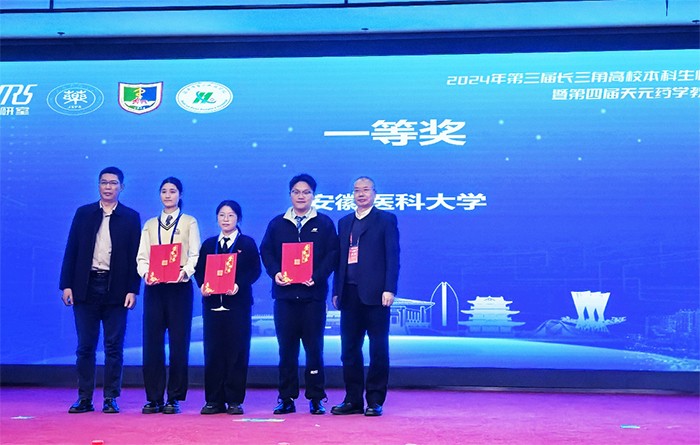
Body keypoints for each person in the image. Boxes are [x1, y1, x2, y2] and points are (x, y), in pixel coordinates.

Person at [59, 166, 141, 414]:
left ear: (121, 187)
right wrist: (66, 284)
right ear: (98, 185)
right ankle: (84, 397)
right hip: (85, 286)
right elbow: (71, 249)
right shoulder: (84, 213)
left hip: (116, 288)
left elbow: (135, 257)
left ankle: (110, 398)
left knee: (113, 346)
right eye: (104, 182)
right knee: (85, 345)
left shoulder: (130, 217)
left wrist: (133, 289)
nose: (108, 187)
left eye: (113, 183)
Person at [260, 174, 339, 415]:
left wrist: (317, 276)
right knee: (286, 350)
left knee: (314, 349)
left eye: (306, 192)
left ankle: (316, 397)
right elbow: (266, 252)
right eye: (296, 192)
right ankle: (286, 398)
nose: (301, 196)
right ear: (290, 195)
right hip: (285, 298)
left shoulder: (324, 223)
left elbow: (333, 254)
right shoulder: (277, 223)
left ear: (313, 195)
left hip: (312, 298)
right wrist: (275, 273)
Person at [331, 176, 400, 417]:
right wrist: (336, 290)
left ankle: (375, 400)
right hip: (349, 294)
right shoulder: (344, 222)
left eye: (366, 190)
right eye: (357, 190)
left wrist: (389, 288)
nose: (361, 194)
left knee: (378, 350)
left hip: (377, 295)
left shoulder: (386, 220)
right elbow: (340, 259)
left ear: (374, 193)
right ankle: (352, 400)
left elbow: (393, 256)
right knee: (349, 350)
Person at [136, 177, 201, 414]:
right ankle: (153, 397)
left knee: (178, 343)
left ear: (180, 195)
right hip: (154, 287)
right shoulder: (150, 224)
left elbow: (195, 253)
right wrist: (146, 273)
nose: (168, 195)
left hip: (179, 287)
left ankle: (174, 397)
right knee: (152, 343)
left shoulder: (189, 221)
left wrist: (185, 272)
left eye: (172, 191)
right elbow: (142, 256)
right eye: (164, 191)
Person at [193, 200, 261, 415]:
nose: (226, 219)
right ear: (217, 218)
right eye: (222, 215)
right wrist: (202, 285)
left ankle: (234, 400)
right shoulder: (209, 244)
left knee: (236, 351)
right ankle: (213, 400)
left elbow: (255, 270)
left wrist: (239, 284)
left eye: (230, 215)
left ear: (238, 218)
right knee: (213, 351)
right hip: (212, 305)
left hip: (237, 305)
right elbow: (199, 270)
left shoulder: (247, 244)